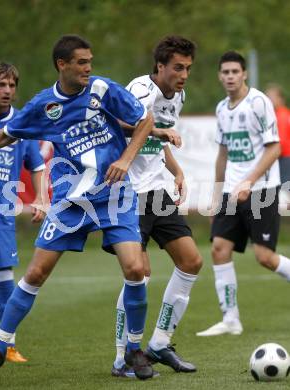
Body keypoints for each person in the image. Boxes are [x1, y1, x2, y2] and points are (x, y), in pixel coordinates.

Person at [0, 35, 155, 380]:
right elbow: (7, 133)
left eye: (90, 61)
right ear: (62, 65)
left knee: (135, 269)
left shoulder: (103, 89)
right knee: (35, 274)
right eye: (81, 62)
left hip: (113, 195)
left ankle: (134, 350)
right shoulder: (44, 105)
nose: (88, 68)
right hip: (71, 202)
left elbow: (145, 120)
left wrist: (125, 157)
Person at [112, 36, 202, 378]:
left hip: (157, 192)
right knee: (140, 275)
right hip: (128, 193)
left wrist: (177, 171)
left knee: (191, 261)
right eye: (178, 67)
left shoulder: (178, 95)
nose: (184, 75)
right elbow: (119, 124)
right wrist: (158, 130)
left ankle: (160, 343)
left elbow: (156, 142)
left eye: (188, 68)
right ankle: (122, 358)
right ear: (160, 66)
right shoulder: (139, 89)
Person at [196, 51, 290, 337]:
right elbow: (222, 154)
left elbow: (274, 148)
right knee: (219, 249)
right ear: (219, 76)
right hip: (230, 192)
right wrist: (215, 196)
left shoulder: (259, 102)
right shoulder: (222, 108)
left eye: (235, 71)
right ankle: (230, 319)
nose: (230, 77)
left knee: (264, 256)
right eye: (225, 72)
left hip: (261, 190)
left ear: (244, 74)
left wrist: (248, 181)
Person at [0, 62, 46, 362]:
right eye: (1, 85)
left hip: (0, 211)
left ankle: (7, 345)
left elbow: (36, 165)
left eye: (11, 86)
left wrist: (42, 199)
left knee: (5, 277)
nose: (7, 91)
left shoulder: (21, 124)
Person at [265, 84, 290, 206]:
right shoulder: (285, 113)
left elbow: (282, 141)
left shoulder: (280, 115)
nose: (268, 100)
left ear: (280, 99)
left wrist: (269, 158)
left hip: (284, 157)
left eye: (271, 97)